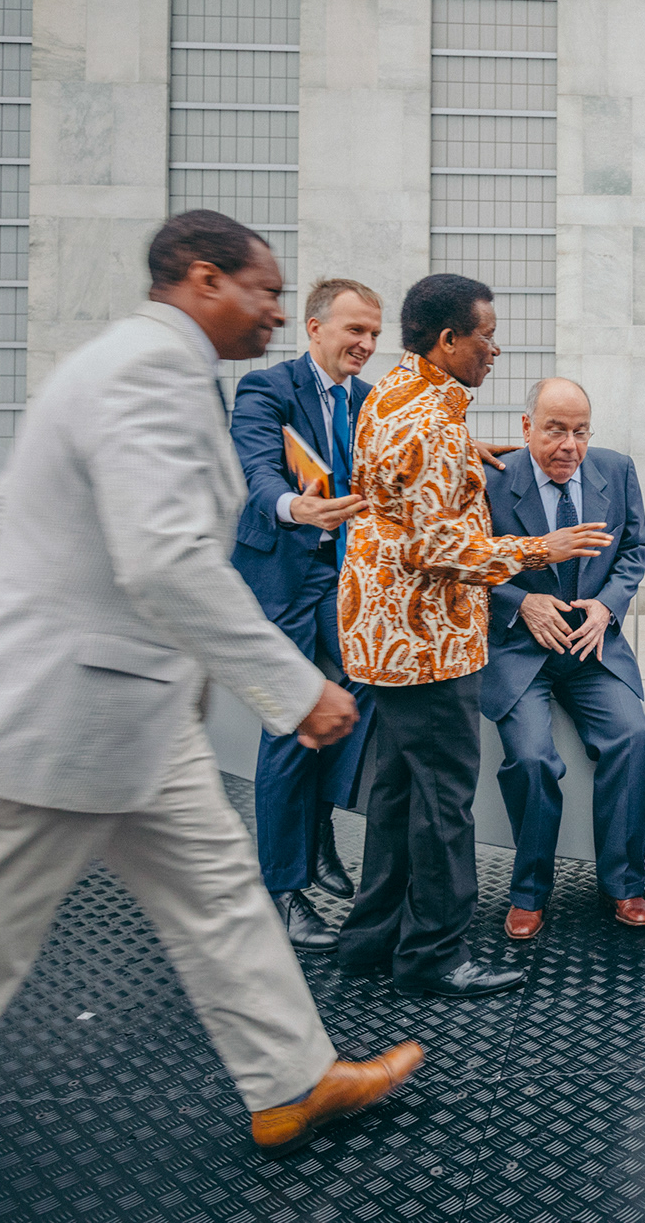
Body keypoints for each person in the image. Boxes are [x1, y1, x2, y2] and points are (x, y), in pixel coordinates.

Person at [0, 211, 424, 1221]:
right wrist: (292, 687)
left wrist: (73, 589)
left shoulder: (132, 366)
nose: (277, 312)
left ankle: (292, 1080)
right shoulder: (149, 373)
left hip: (134, 714)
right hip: (53, 727)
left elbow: (3, 512)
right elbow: (165, 560)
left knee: (221, 898)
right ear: (203, 278)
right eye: (265, 291)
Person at [335, 274, 611, 998]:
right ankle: (434, 954)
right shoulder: (433, 424)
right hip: (426, 639)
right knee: (443, 805)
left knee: (396, 795)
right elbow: (439, 547)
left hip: (382, 634)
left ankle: (370, 939)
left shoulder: (394, 394)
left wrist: (461, 452)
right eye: (486, 337)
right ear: (449, 339)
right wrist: (540, 549)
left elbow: (398, 480)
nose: (495, 350)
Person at [228, 276, 382, 951]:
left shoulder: (368, 400)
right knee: (292, 722)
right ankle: (283, 892)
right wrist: (297, 507)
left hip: (345, 579)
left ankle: (318, 826)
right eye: (355, 330)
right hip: (285, 573)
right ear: (315, 329)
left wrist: (471, 455)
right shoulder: (266, 390)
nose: (366, 344)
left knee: (366, 689)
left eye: (373, 333)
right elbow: (259, 473)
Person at [481, 376, 645, 940]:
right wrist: (521, 602)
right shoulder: (490, 479)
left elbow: (634, 550)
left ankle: (623, 883)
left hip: (592, 647)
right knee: (533, 760)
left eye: (580, 432)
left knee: (632, 737)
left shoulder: (617, 470)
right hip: (519, 650)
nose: (569, 446)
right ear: (526, 427)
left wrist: (608, 606)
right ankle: (530, 892)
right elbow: (469, 564)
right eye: (555, 430)